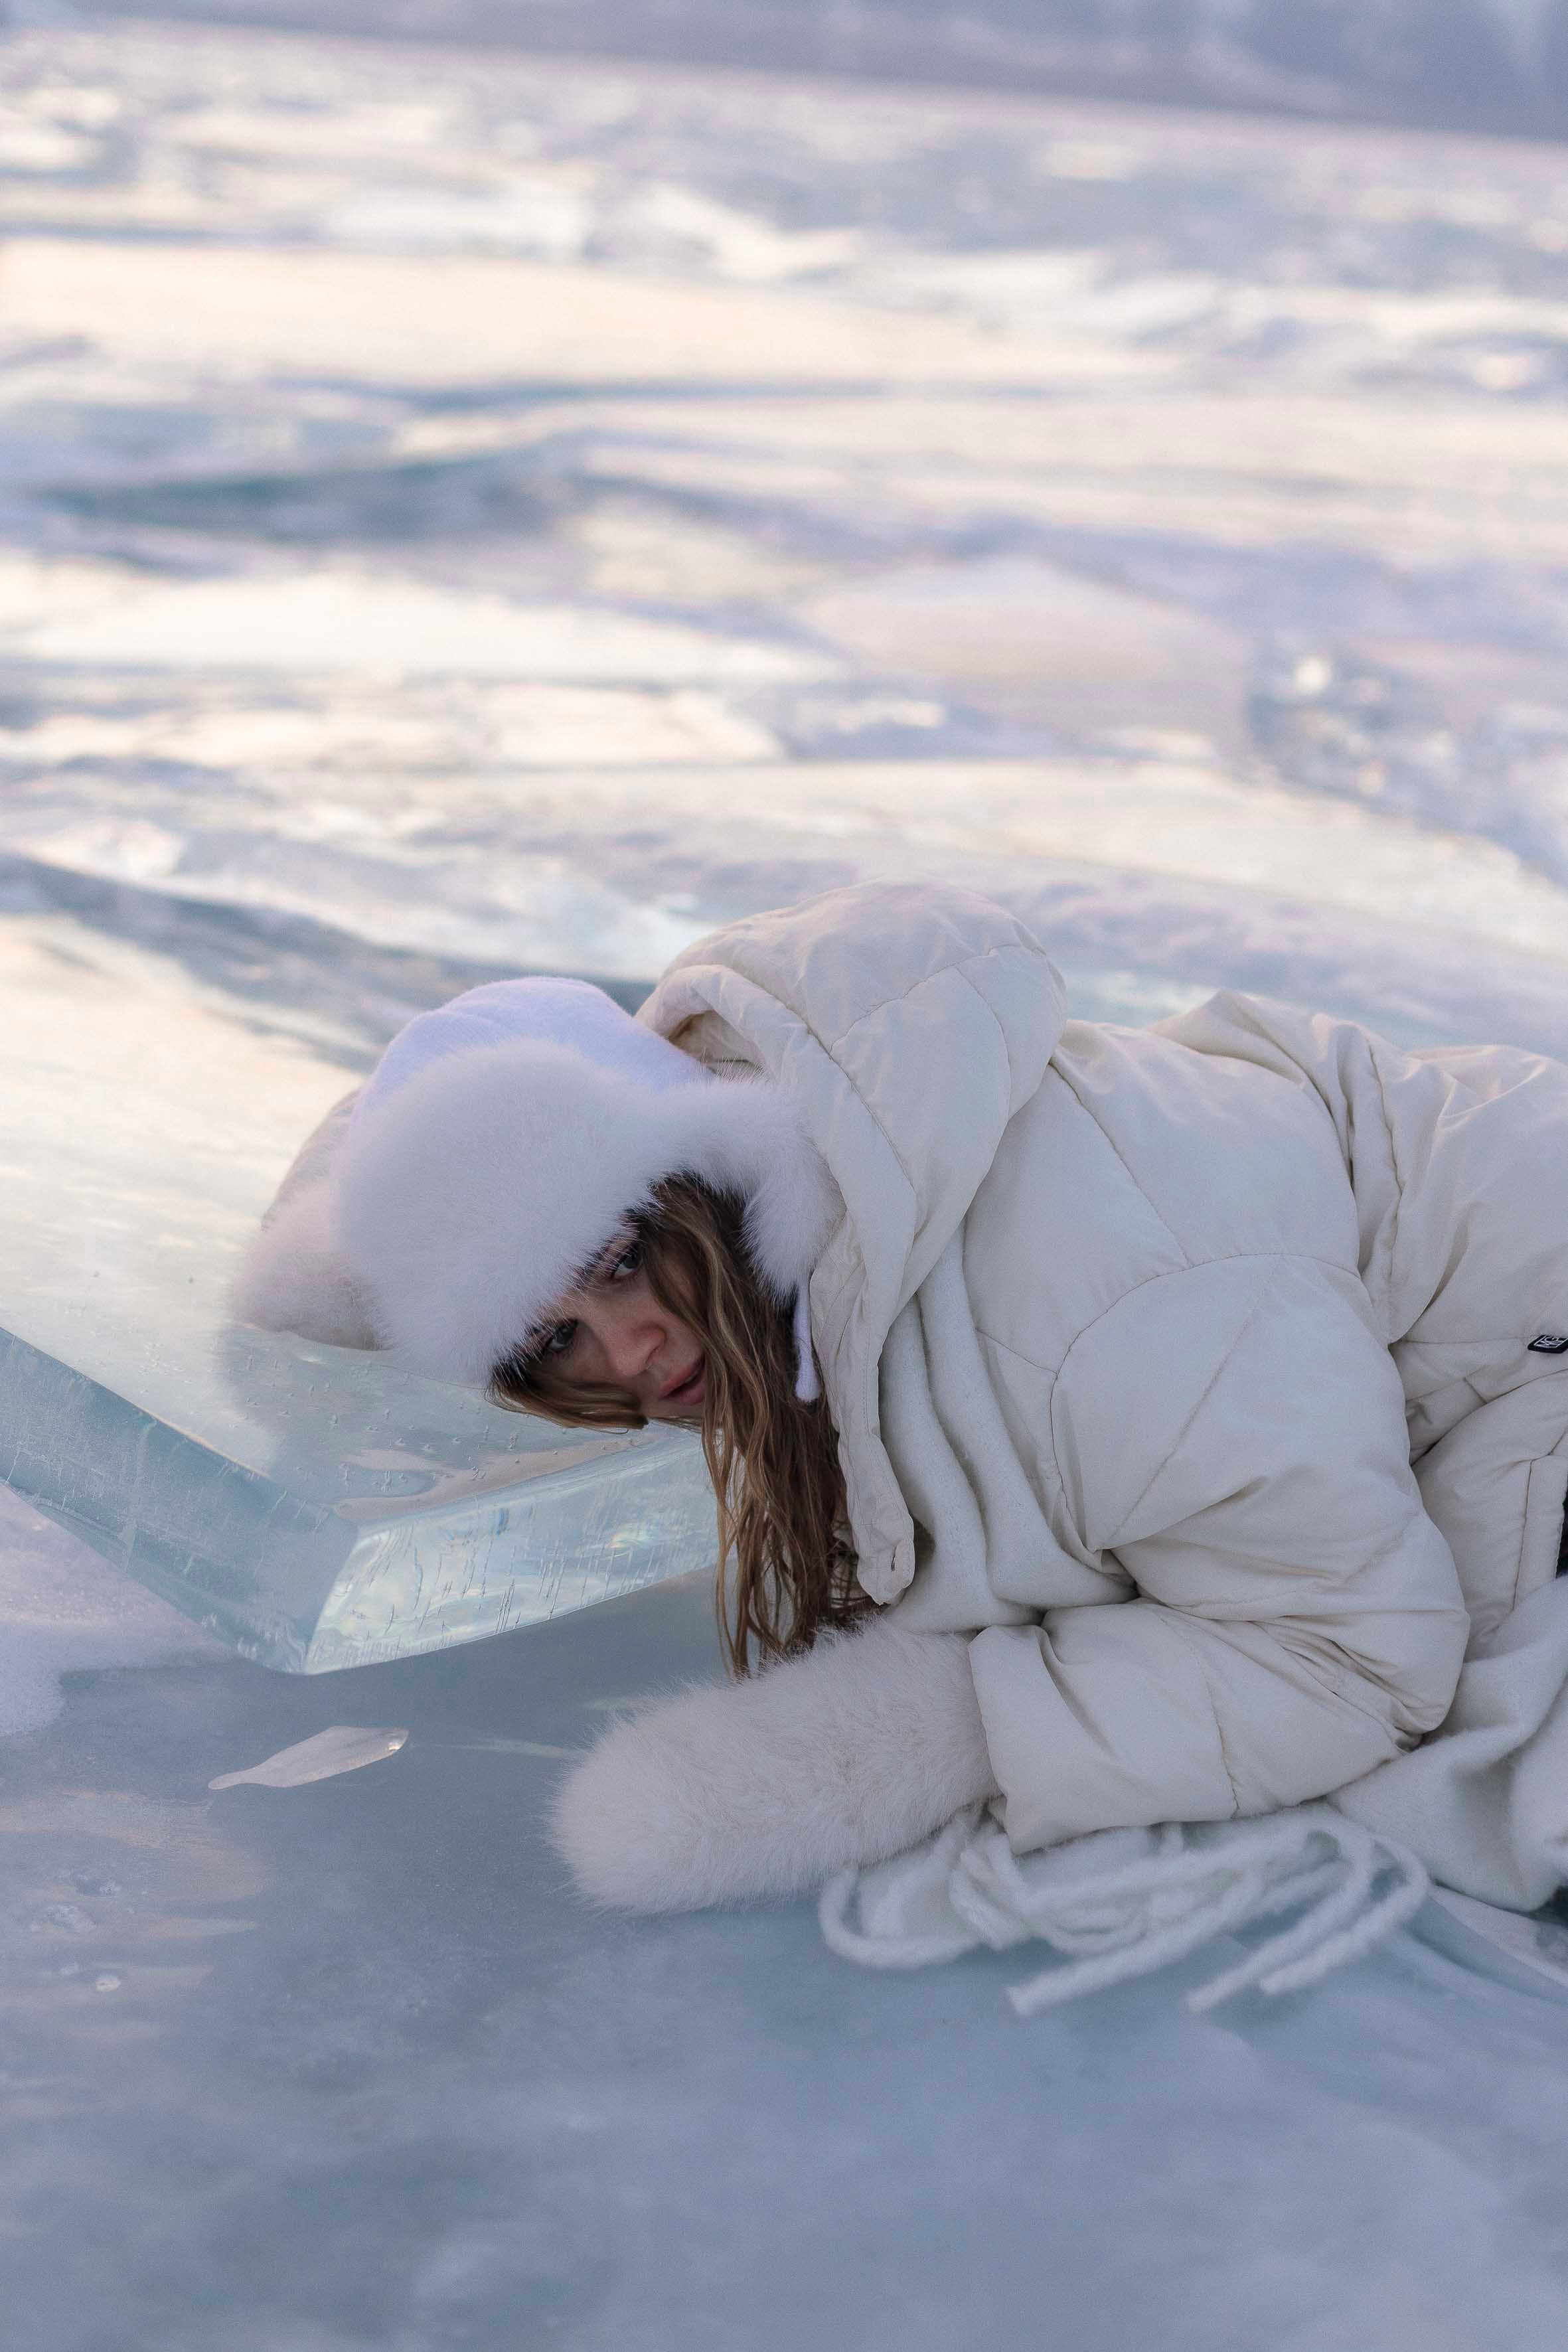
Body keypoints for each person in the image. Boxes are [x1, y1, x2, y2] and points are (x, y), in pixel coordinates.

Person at [234, 883, 1568, 1918]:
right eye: (549, 1337)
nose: (628, 1350)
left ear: (703, 1161)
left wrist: (918, 1734)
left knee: (1479, 1784)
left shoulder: (1081, 1298)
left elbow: (1350, 1656)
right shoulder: (843, 1170)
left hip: (1535, 1326)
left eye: (621, 1258)